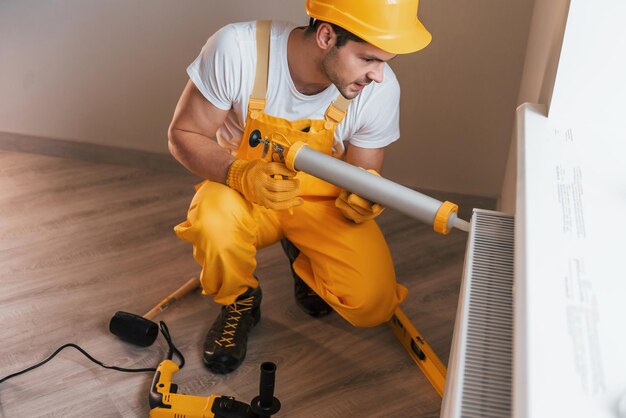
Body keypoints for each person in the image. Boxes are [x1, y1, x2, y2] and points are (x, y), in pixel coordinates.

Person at [168, 0, 432, 374]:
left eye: (385, 62)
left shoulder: (377, 90)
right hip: (243, 191)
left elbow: (363, 171)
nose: (379, 76)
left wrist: (366, 194)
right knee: (211, 218)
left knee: (372, 303)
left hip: (318, 201)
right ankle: (240, 299)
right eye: (369, 59)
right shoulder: (238, 49)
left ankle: (303, 254)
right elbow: (183, 135)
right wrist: (238, 173)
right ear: (327, 36)